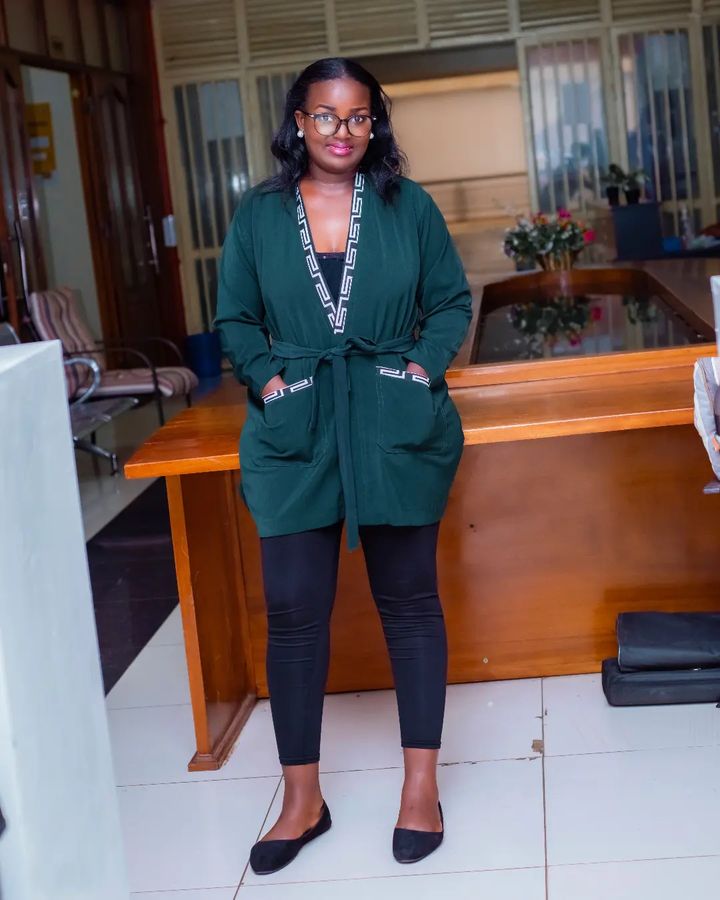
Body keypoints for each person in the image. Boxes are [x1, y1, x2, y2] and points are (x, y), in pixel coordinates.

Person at [213, 56, 472, 875]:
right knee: (293, 612)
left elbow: (451, 302)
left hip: (393, 422)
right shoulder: (260, 216)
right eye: (325, 115)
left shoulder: (407, 206)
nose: (342, 131)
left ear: (373, 124)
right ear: (298, 121)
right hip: (296, 429)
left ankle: (421, 787)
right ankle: (302, 800)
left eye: (358, 116)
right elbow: (236, 319)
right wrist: (270, 379)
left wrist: (421, 369)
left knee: (411, 604)